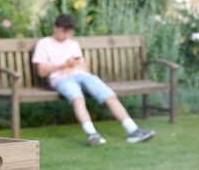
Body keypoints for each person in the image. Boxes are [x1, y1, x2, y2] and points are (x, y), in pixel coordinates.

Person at [32, 13, 156, 147]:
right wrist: (64, 66)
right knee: (78, 98)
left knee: (109, 95)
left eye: (69, 32)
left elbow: (84, 66)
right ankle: (92, 134)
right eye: (64, 32)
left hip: (82, 75)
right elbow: (41, 71)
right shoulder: (44, 44)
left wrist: (77, 66)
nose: (67, 36)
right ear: (55, 27)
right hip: (61, 79)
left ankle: (134, 130)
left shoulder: (73, 44)